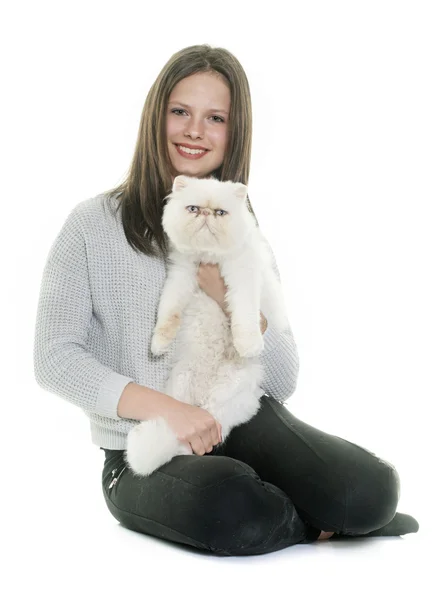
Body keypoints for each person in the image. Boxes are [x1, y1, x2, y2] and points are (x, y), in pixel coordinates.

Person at [33, 44, 419, 557]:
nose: (195, 130)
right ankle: (310, 521)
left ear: (232, 135)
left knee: (369, 493)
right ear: (156, 117)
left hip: (241, 422)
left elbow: (282, 381)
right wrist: (169, 410)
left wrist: (230, 298)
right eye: (180, 112)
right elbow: (54, 357)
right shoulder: (91, 225)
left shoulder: (242, 233)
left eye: (215, 118)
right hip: (140, 448)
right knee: (232, 507)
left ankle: (315, 507)